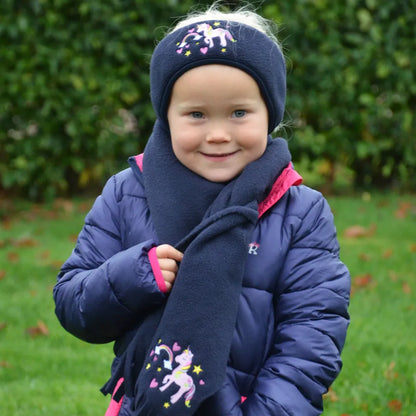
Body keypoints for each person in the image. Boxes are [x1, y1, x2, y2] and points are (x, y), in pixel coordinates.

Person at [53, 4, 350, 416]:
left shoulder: (300, 211)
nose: (217, 134)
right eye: (196, 114)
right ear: (166, 118)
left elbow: (314, 334)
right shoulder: (128, 194)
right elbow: (73, 302)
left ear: (271, 115)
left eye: (239, 113)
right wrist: (134, 274)